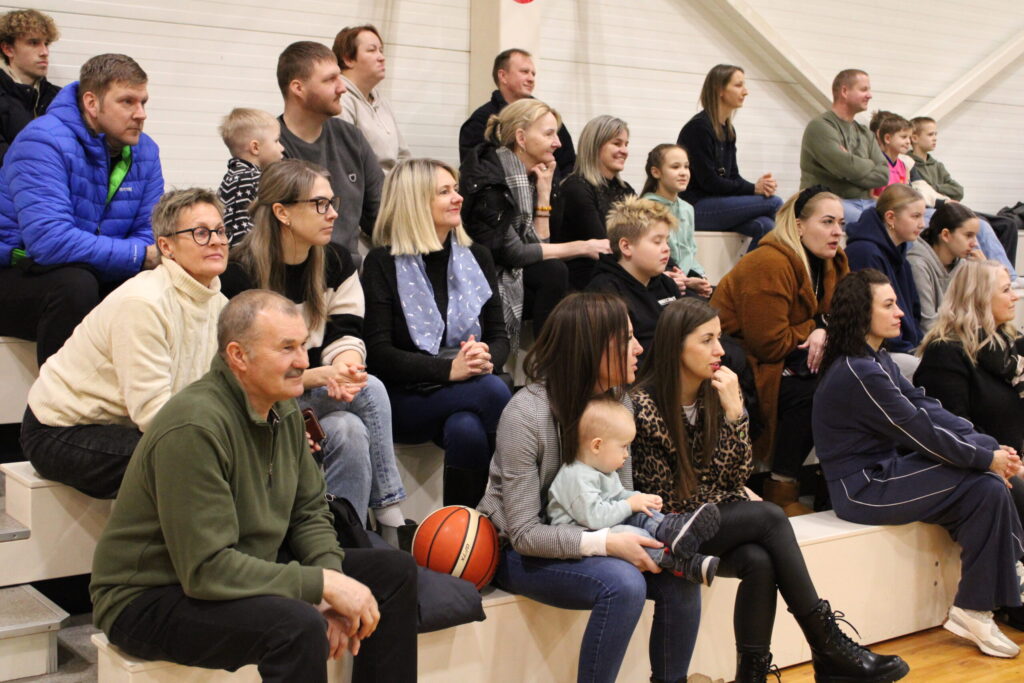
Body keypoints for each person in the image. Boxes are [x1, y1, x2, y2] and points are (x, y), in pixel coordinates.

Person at [90, 289, 418, 683]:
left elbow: (309, 512)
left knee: (395, 572)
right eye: (286, 348)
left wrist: (332, 581)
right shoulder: (194, 427)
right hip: (151, 595)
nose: (303, 362)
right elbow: (206, 569)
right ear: (238, 356)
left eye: (303, 346)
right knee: (296, 626)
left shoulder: (283, 406)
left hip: (243, 561)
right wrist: (319, 586)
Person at [632, 297, 910, 682]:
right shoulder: (643, 406)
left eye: (719, 338)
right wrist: (728, 483)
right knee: (769, 516)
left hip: (708, 520)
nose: (719, 350)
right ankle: (826, 643)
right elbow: (671, 499)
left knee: (759, 561)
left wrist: (735, 415)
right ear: (675, 346)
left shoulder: (717, 393)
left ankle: (754, 675)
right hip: (668, 532)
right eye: (707, 340)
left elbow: (735, 476)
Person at [477, 291, 702, 683]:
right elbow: (525, 534)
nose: (639, 348)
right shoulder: (525, 414)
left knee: (681, 573)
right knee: (624, 584)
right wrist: (608, 543)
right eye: (627, 339)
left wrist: (647, 534)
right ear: (592, 348)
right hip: (519, 551)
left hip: (592, 532)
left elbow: (620, 495)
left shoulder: (619, 404)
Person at [814, 268, 1024, 659]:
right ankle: (1002, 587)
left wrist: (989, 446)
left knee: (987, 487)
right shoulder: (859, 371)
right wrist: (985, 458)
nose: (900, 313)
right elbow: (918, 431)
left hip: (885, 472)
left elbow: (926, 406)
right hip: (861, 488)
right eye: (889, 305)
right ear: (862, 313)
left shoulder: (875, 359)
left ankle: (976, 607)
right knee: (987, 479)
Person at [220, 159, 409, 537]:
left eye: (332, 202)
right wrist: (320, 375)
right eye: (320, 204)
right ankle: (393, 518)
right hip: (258, 406)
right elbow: (244, 373)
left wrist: (347, 369)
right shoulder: (238, 272)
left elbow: (346, 332)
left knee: (349, 428)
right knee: (372, 388)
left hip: (312, 396)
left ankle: (348, 540)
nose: (334, 213)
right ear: (282, 212)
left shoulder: (336, 261)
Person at [20, 189, 229, 499]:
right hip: (61, 429)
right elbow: (153, 414)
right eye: (200, 232)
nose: (216, 241)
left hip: (127, 425)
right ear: (166, 247)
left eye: (220, 231)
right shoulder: (144, 302)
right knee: (189, 460)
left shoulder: (220, 304)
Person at [363, 158, 512, 508]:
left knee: (466, 429)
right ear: (415, 202)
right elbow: (379, 354)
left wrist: (485, 357)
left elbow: (499, 335)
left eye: (455, 189)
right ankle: (518, 506)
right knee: (493, 390)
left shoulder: (477, 256)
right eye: (445, 192)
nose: (458, 198)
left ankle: (466, 528)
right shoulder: (382, 262)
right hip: (407, 398)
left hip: (469, 386)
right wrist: (449, 370)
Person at [0, 53, 163, 365]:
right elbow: (49, 242)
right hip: (16, 271)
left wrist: (141, 257)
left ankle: (143, 390)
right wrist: (138, 255)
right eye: (127, 102)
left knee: (160, 284)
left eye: (143, 102)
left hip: (90, 267)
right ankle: (59, 394)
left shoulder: (146, 150)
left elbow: (150, 232)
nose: (141, 114)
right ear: (91, 103)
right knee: (75, 285)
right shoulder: (42, 141)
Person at [712, 187, 849, 515]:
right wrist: (816, 326)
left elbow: (844, 318)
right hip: (742, 363)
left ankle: (837, 486)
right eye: (827, 222)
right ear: (799, 226)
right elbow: (769, 343)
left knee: (852, 378)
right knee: (815, 390)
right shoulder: (769, 262)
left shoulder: (833, 262)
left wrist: (823, 329)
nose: (837, 232)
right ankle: (781, 487)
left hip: (788, 357)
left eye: (841, 224)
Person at [459, 99, 609, 351]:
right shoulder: (490, 179)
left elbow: (539, 246)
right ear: (521, 138)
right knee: (555, 271)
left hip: (513, 271)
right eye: (549, 134)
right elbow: (513, 253)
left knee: (558, 271)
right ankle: (547, 358)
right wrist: (584, 246)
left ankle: (552, 354)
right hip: (484, 276)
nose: (558, 143)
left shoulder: (532, 177)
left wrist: (543, 194)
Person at [546, 395, 723, 585]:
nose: (626, 454)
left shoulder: (603, 470)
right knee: (630, 533)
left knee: (642, 513)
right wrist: (630, 504)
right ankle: (678, 562)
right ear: (597, 445)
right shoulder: (575, 477)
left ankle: (671, 529)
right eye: (623, 447)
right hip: (585, 536)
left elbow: (618, 496)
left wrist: (640, 500)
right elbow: (595, 518)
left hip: (605, 524)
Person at [276, 41, 383, 264]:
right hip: (297, 270)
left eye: (339, 78)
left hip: (350, 271)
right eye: (330, 80)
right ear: (298, 88)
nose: (342, 88)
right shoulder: (272, 148)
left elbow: (381, 216)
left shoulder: (351, 137)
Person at [678, 65, 782, 249]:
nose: (745, 91)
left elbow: (733, 177)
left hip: (718, 204)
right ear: (720, 90)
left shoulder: (728, 130)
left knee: (766, 226)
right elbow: (710, 182)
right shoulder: (698, 128)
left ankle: (749, 269)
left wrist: (759, 187)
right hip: (695, 207)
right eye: (738, 85)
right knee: (775, 203)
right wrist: (753, 189)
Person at [908, 115, 1018, 277]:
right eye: (930, 134)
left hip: (951, 205)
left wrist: (934, 188)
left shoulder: (937, 165)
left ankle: (1008, 275)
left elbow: (958, 190)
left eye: (936, 134)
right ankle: (988, 273)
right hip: (938, 209)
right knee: (980, 224)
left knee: (1007, 224)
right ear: (915, 138)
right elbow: (922, 192)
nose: (935, 138)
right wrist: (938, 193)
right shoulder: (909, 163)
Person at [586, 196, 682, 361]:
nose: (667, 249)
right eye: (657, 241)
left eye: (666, 241)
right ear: (626, 246)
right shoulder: (605, 292)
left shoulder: (667, 284)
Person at [458, 48, 575, 176]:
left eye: (533, 74)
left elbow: (568, 164)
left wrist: (552, 184)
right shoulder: (480, 121)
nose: (531, 78)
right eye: (524, 72)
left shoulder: (546, 117)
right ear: (503, 76)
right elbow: (474, 171)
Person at [845, 184, 926, 365]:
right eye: (915, 216)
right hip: (877, 352)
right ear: (890, 217)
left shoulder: (901, 257)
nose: (922, 224)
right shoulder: (864, 253)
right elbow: (868, 315)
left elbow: (914, 311)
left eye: (922, 216)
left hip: (905, 348)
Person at [551, 114, 634, 290]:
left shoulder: (626, 190)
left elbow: (644, 235)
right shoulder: (576, 188)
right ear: (595, 145)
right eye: (617, 143)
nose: (624, 151)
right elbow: (605, 245)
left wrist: (670, 271)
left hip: (621, 271)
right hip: (588, 282)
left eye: (626, 144)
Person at [800, 69, 887, 224]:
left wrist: (851, 165)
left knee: (904, 221)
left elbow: (883, 175)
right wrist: (869, 163)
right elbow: (846, 167)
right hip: (830, 203)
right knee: (871, 224)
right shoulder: (820, 126)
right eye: (864, 89)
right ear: (845, 91)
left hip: (866, 203)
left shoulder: (865, 133)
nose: (870, 95)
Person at [333, 24, 410, 174]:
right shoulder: (340, 101)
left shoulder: (383, 102)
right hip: (369, 186)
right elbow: (348, 163)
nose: (381, 57)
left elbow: (403, 155)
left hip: (393, 184)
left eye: (381, 50)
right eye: (372, 50)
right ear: (348, 59)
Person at [640, 143, 711, 297]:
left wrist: (701, 277)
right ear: (656, 172)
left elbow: (690, 251)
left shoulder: (688, 208)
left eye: (686, 167)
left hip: (685, 279)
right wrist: (681, 281)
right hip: (660, 282)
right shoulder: (646, 207)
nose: (683, 172)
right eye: (675, 167)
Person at [907, 202, 982, 332]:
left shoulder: (964, 264)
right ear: (946, 235)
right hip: (934, 341)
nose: (974, 243)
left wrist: (984, 274)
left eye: (975, 236)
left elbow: (983, 314)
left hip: (957, 337)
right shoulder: (917, 265)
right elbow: (927, 324)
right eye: (968, 235)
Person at [217, 107, 285, 244]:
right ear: (255, 147)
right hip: (249, 253)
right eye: (276, 141)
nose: (282, 148)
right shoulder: (253, 179)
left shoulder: (231, 178)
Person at [0, 8, 59, 163]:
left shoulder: (60, 98)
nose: (44, 52)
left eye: (46, 43)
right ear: (8, 49)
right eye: (33, 43)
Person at [868, 111, 912, 197]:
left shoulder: (903, 166)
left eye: (909, 138)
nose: (908, 142)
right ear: (887, 138)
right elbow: (869, 196)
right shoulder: (874, 163)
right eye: (903, 137)